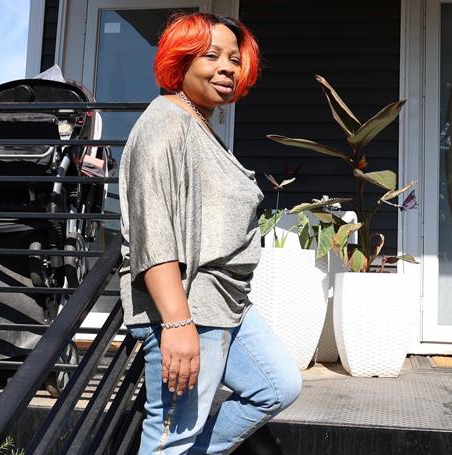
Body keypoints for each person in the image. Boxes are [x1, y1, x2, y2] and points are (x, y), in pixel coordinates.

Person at [117, 12, 302, 454]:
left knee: (275, 385)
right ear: (180, 60)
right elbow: (153, 233)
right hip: (189, 308)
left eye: (235, 60)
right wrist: (177, 324)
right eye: (211, 55)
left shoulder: (198, 125)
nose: (227, 68)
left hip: (226, 302)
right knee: (171, 435)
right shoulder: (164, 126)